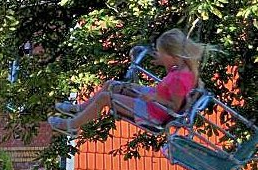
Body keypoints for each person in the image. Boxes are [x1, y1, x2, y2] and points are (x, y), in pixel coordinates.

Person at [49, 29, 207, 133]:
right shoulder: (180, 68)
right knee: (112, 85)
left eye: (161, 53)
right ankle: (79, 109)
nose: (158, 56)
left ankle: (72, 125)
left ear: (172, 55)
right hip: (153, 102)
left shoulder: (180, 78)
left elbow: (173, 107)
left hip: (153, 113)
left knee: (105, 98)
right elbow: (167, 87)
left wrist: (154, 98)